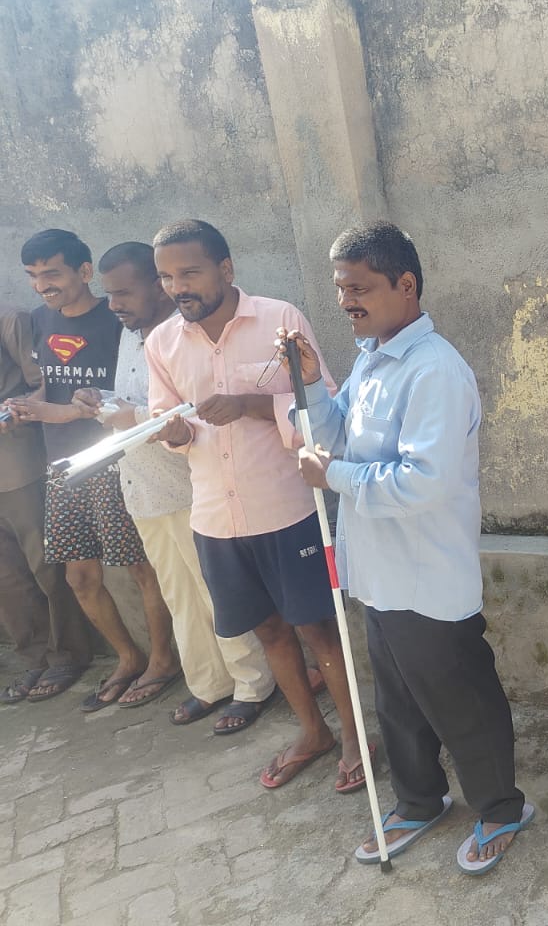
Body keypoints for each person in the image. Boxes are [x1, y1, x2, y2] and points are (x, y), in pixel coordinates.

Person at [283, 221, 531, 874]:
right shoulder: (371, 357)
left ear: (406, 284)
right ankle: (420, 800)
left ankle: (501, 807)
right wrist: (311, 385)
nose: (346, 302)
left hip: (427, 576)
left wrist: (330, 478)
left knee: (460, 702)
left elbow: (424, 481)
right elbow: (336, 435)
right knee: (398, 702)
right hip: (379, 573)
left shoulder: (435, 372)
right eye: (341, 289)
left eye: (359, 287)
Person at [145, 219, 365, 791]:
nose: (178, 287)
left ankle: (356, 738)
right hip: (215, 517)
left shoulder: (280, 320)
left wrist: (249, 403)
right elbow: (177, 428)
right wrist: (170, 433)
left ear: (225, 268)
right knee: (268, 633)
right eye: (167, 277)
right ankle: (313, 733)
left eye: (189, 272)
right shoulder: (161, 343)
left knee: (318, 632)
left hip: (286, 508)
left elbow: (325, 406)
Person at [71, 242, 277, 732]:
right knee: (179, 594)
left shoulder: (186, 339)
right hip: (143, 489)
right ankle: (209, 685)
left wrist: (133, 416)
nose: (115, 304)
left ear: (159, 287)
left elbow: (194, 411)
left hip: (192, 490)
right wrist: (102, 402)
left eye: (125, 292)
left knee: (217, 596)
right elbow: (139, 404)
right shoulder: (133, 337)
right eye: (109, 294)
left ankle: (253, 686)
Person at [7, 229, 180, 712]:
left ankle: (162, 661)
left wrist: (57, 412)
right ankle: (128, 657)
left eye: (53, 273)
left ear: (84, 273)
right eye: (34, 277)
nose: (43, 286)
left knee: (139, 568)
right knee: (79, 577)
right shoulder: (41, 321)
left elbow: (117, 400)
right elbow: (51, 388)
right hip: (60, 467)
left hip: (113, 460)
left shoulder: (118, 321)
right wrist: (26, 406)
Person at [0, 302, 93, 703]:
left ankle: (67, 654)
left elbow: (42, 384)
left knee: (45, 562)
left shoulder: (10, 320)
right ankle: (35, 658)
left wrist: (14, 412)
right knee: (6, 577)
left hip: (17, 462)